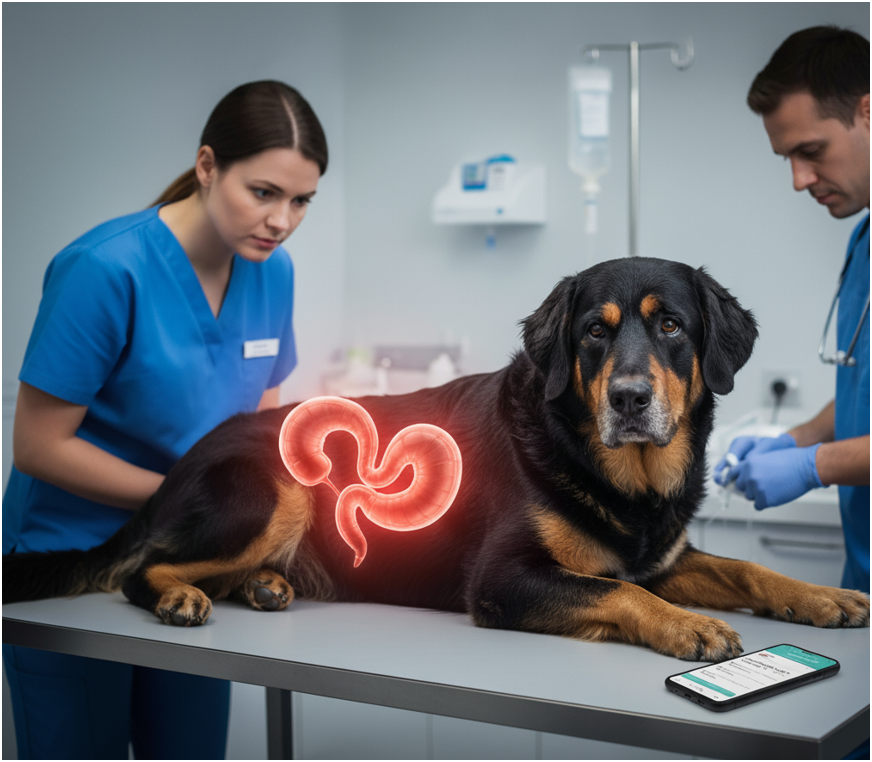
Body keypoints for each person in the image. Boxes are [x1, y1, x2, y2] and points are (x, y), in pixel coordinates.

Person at [2, 80, 327, 759]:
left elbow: (256, 432)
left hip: (188, 564)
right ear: (207, 166)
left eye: (301, 201)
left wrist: (241, 528)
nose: (282, 220)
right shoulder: (103, 268)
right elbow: (37, 445)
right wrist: (196, 506)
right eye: (263, 192)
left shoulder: (274, 273)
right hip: (73, 561)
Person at [717, 28, 869, 760]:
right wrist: (798, 438)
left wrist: (814, 468)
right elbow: (861, 381)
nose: (800, 180)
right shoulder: (863, 239)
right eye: (787, 159)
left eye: (812, 151)